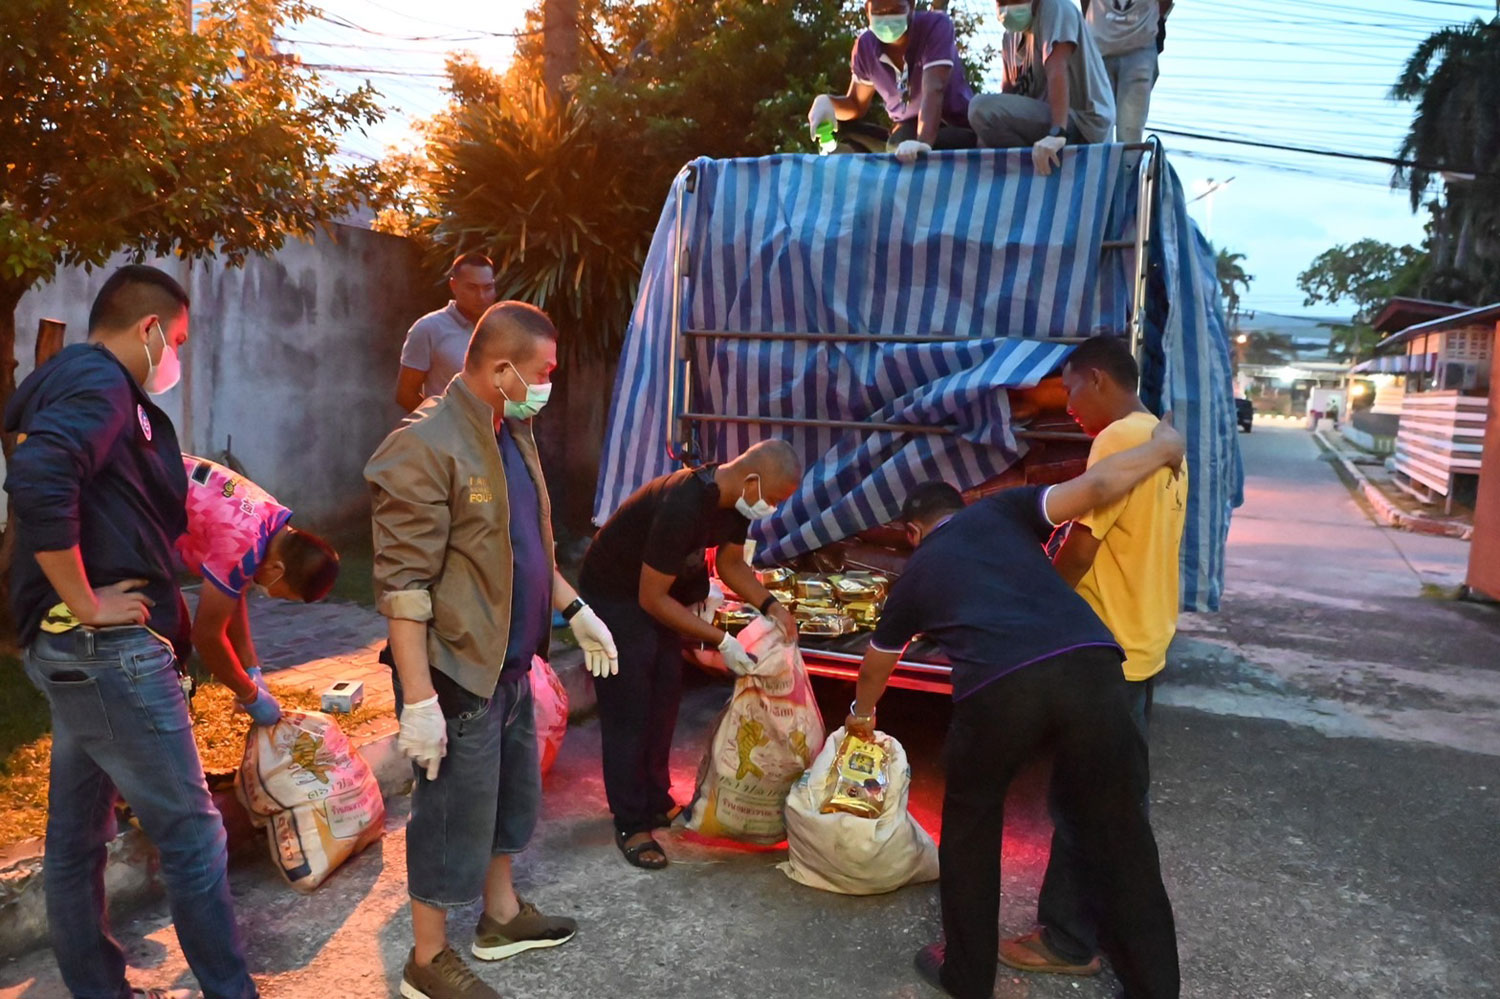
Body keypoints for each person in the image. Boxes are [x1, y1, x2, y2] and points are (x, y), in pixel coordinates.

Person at [846, 423, 1186, 999]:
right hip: (1094, 665)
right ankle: (1156, 988)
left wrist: (860, 715)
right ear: (963, 506)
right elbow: (1099, 484)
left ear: (911, 531)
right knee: (1121, 832)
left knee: (973, 825)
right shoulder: (1004, 510)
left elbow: (879, 661)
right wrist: (1162, 448)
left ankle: (968, 976)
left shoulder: (917, 573)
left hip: (1004, 686)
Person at [4, 265, 258, 999]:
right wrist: (85, 601)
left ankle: (98, 989)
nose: (176, 355)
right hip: (104, 652)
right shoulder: (99, 381)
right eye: (176, 339)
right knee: (191, 831)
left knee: (77, 837)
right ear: (149, 329)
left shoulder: (86, 386)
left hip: (80, 659)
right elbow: (40, 474)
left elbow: (87, 489)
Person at [366, 300, 620, 999]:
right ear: (503, 367)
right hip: (456, 671)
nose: (549, 382)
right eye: (543, 371)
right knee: (450, 812)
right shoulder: (427, 444)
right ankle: (426, 957)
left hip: (511, 662)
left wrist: (575, 608)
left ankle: (501, 917)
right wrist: (419, 700)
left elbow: (523, 546)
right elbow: (405, 589)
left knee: (510, 797)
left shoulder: (510, 431)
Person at [1000, 336, 1187, 979]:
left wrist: (1033, 603)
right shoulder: (1162, 440)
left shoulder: (1118, 442)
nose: (1069, 403)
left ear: (1100, 379)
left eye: (1072, 386)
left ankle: (1068, 939)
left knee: (1081, 799)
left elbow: (1081, 545)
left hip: (1107, 646)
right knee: (1111, 793)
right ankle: (1105, 921)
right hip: (1146, 636)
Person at [578, 440, 804, 869]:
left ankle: (657, 800)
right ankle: (630, 821)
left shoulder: (735, 502)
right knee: (631, 703)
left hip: (656, 596)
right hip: (614, 596)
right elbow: (650, 599)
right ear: (752, 479)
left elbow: (733, 565)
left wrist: (772, 607)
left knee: (665, 693)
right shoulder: (683, 502)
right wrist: (722, 641)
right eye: (773, 500)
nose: (771, 510)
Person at [176, 454, 343, 722]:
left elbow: (231, 591)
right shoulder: (242, 543)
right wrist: (249, 695)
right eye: (283, 595)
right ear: (278, 571)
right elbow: (206, 636)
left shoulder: (269, 515)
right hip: (121, 495)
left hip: (145, 474)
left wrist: (250, 667)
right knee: (169, 632)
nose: (269, 595)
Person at [806, 0, 977, 162]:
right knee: (849, 135)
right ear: (867, 10)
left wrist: (923, 143)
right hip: (902, 134)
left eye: (895, 10)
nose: (887, 18)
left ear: (911, 4)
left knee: (902, 141)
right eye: (879, 11)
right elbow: (856, 104)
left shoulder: (934, 26)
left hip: (952, 125)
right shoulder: (866, 47)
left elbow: (934, 89)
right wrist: (826, 102)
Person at [968, 0, 1116, 175]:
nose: (1005, 7)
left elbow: (1057, 70)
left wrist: (1057, 133)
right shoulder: (1010, 36)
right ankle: (1029, 168)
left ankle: (1030, 171)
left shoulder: (1055, 8)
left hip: (1082, 123)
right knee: (967, 132)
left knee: (980, 109)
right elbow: (1007, 94)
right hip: (1043, 122)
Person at [395, 252, 498, 411]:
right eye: (472, 287)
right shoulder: (428, 328)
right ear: (454, 286)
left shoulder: (502, 329)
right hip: (449, 433)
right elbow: (405, 394)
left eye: (488, 287)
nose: (481, 296)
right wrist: (440, 428)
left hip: (496, 433)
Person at [1082, 0, 1172, 144]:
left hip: (1138, 51)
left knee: (1130, 137)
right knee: (1095, 135)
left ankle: (1125, 165)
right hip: (1098, 52)